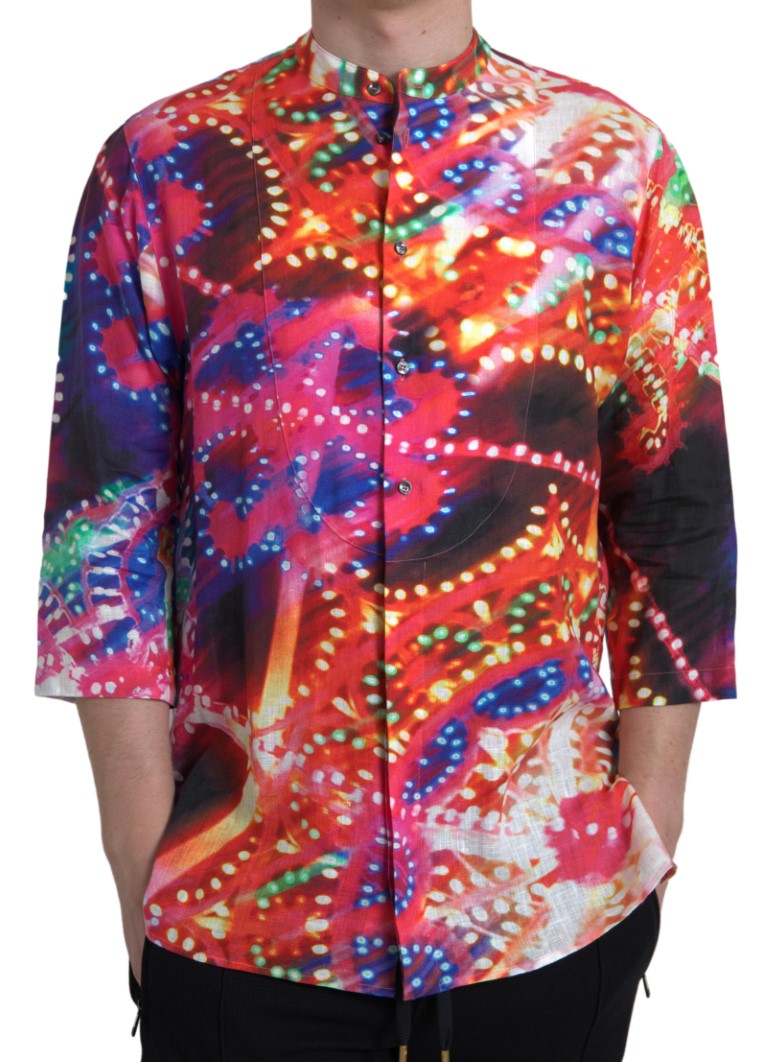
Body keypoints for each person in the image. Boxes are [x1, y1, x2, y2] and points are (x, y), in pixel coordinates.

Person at [33, 1, 737, 1059]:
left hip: (550, 921)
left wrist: (655, 816)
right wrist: (138, 863)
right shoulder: (163, 165)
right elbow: (103, 525)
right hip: (240, 928)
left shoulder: (619, 167)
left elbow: (676, 512)